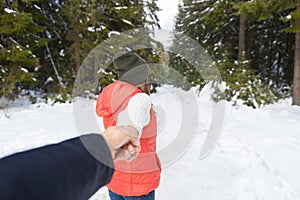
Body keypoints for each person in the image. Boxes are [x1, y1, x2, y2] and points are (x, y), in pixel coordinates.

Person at [0, 126, 140, 200]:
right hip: (134, 176)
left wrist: (103, 148)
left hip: (115, 176)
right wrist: (103, 147)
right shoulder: (139, 101)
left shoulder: (110, 95)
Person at [96, 52, 161, 200]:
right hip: (138, 182)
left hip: (116, 179)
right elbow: (132, 124)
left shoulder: (113, 96)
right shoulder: (138, 100)